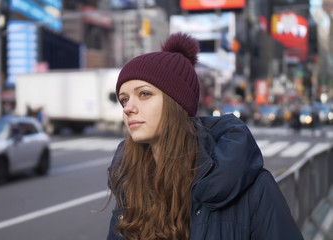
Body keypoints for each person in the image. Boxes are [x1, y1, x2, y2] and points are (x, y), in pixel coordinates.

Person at [106, 33, 303, 240]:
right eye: (124, 99)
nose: (128, 108)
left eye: (144, 94)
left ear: (177, 103)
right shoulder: (130, 185)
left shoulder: (253, 187)